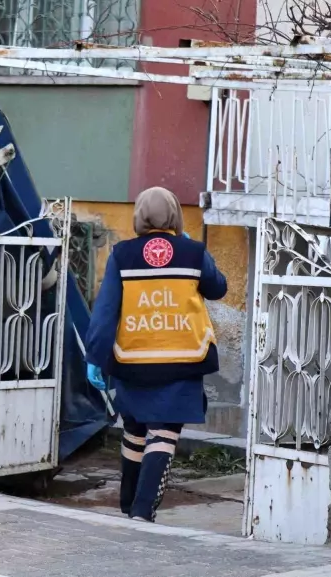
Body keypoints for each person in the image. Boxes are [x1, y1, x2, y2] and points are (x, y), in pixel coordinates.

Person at [84, 186, 227, 522]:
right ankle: (142, 510)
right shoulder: (193, 251)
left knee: (134, 429)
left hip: (133, 360)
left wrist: (95, 357)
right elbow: (218, 288)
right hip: (182, 360)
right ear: (175, 215)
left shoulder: (122, 255)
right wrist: (198, 253)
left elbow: (105, 311)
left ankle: (127, 503)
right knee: (163, 432)